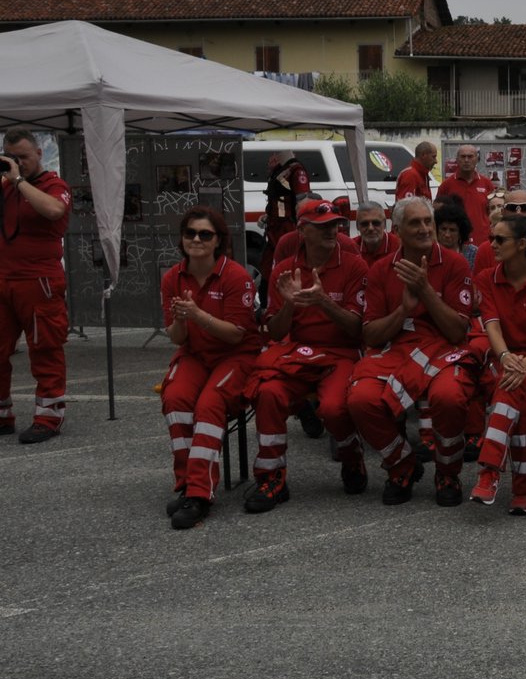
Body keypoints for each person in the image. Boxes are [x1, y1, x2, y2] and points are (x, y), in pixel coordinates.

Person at [347, 196, 475, 507]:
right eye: (415, 223)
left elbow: (459, 332)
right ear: (398, 230)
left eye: (427, 221)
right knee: (360, 399)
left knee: (449, 397)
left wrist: (426, 291)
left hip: (443, 349)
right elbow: (371, 334)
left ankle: (447, 472)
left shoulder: (455, 263)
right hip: (396, 349)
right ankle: (401, 466)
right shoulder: (380, 270)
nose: (423, 229)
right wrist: (403, 311)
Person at [246, 198, 368, 513]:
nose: (333, 230)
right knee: (269, 393)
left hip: (341, 351)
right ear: (303, 230)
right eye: (323, 225)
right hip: (297, 352)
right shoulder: (284, 271)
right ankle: (272, 478)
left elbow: (357, 329)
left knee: (333, 408)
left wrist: (324, 302)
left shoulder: (354, 265)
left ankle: (352, 459)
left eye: (335, 224)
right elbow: (273, 331)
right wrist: (290, 304)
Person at [160, 207, 261, 529]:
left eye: (205, 234)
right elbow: (177, 338)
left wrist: (198, 315)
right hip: (195, 354)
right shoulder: (172, 278)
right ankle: (187, 485)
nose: (197, 239)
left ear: (219, 241)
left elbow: (236, 334)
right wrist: (180, 319)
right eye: (190, 233)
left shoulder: (236, 277)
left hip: (235, 355)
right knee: (175, 400)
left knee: (209, 404)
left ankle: (200, 494)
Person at [469, 214, 526, 515]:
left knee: (510, 386)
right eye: (491, 237)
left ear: (522, 244)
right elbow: (491, 327)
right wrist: (508, 359)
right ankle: (522, 489)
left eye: (499, 239)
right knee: (513, 393)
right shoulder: (486, 278)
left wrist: (522, 365)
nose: (491, 244)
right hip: (506, 359)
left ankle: (490, 471)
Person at [0, 129, 71, 442]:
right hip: (4, 279)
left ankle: (49, 417)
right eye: (11, 157)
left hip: (38, 282)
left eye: (23, 157)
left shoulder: (53, 185)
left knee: (44, 348)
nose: (18, 163)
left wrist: (18, 181)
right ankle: (3, 415)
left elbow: (55, 210)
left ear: (39, 154)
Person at [437, 145, 494, 245]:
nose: (466, 160)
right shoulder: (446, 185)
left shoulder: (487, 184)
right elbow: (438, 215)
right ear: (457, 160)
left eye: (470, 156)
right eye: (463, 157)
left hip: (483, 241)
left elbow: (493, 213)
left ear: (477, 159)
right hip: (456, 243)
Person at [261, 152, 312, 260]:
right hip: (275, 226)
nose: (271, 158)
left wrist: (302, 224)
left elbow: (303, 201)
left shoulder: (297, 171)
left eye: (275, 154)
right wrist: (268, 215)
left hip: (288, 225)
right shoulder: (281, 169)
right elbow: (277, 198)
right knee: (271, 260)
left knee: (288, 257)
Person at [433, 197, 477, 269]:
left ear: (461, 233)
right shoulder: (430, 252)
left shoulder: (473, 253)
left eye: (452, 230)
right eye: (443, 229)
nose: (447, 234)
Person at [352, 201, 399, 265]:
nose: (370, 228)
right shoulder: (351, 247)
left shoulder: (399, 247)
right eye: (364, 224)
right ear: (357, 226)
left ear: (385, 224)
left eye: (376, 223)